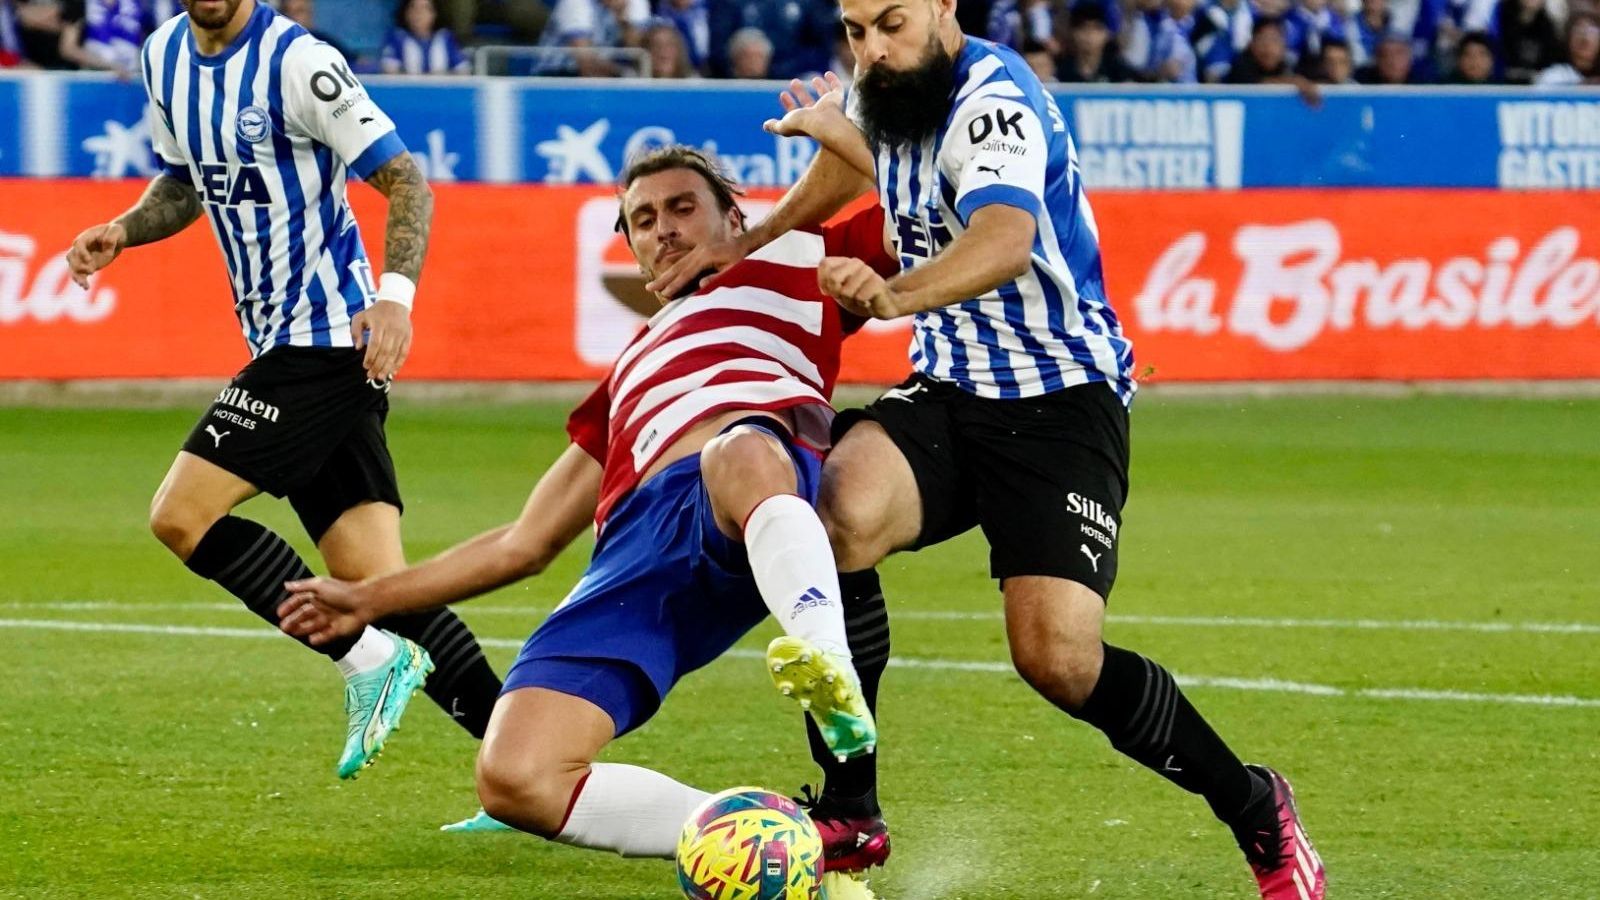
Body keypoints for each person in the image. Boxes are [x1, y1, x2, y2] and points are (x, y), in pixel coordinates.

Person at [649, 1, 1328, 896]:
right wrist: (753, 242)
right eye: (856, 31)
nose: (873, 49)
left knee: (1057, 659)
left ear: (944, 9)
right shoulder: (886, 84)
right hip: (949, 391)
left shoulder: (993, 102)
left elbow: (1004, 241)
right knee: (832, 517)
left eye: (890, 24)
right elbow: (860, 164)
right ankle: (852, 809)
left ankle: (1254, 805)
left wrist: (894, 295)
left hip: (1061, 403)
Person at [277, 145, 895, 863]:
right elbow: (523, 544)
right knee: (513, 777)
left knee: (742, 451)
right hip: (634, 560)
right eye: (643, 219)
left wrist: (854, 131)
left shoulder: (793, 256)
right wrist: (367, 600)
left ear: (734, 214)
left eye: (682, 207)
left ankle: (825, 658)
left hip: (746, 491)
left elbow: (929, 209)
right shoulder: (626, 373)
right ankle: (768, 838)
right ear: (631, 249)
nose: (662, 227)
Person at [62, 0, 504, 793]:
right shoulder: (164, 58)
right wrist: (124, 229)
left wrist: (396, 296)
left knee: (179, 514)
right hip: (285, 343)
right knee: (382, 587)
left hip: (328, 339)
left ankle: (367, 660)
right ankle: (530, 770)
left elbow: (406, 181)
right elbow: (185, 182)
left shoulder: (298, 63)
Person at [383, 0, 472, 75]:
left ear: (434, 14)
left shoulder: (446, 38)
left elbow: (463, 69)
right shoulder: (396, 38)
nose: (418, 14)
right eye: (413, 8)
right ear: (406, 13)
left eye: (425, 8)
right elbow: (390, 71)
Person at [1534, 10, 1600, 84]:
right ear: (1568, 40)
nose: (1585, 37)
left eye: (1592, 32)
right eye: (1578, 31)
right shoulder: (1552, 77)